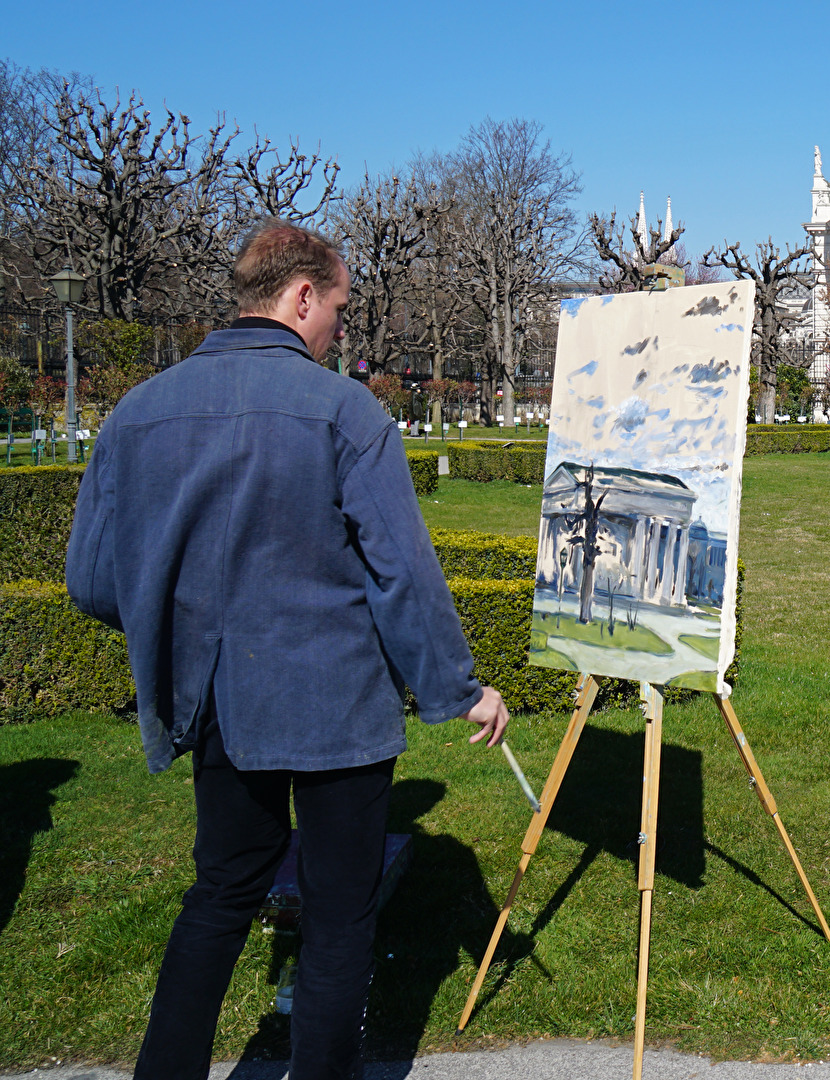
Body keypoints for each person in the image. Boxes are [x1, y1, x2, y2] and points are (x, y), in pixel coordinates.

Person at [65, 220, 511, 1080]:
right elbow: (403, 576)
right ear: (301, 296)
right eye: (339, 309)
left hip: (221, 703)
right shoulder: (346, 411)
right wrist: (460, 688)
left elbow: (92, 580)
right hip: (337, 706)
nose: (340, 329)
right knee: (340, 917)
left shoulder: (136, 413)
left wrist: (189, 617)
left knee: (222, 896)